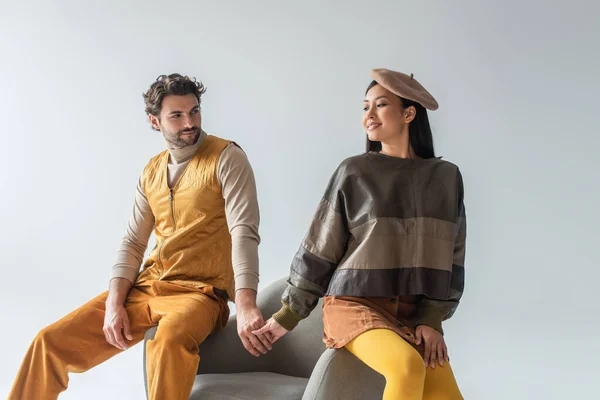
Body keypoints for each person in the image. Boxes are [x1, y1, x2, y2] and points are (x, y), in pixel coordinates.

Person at [9, 73, 271, 400]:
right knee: (49, 342)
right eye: (176, 115)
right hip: (148, 286)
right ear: (154, 120)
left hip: (202, 293)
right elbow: (133, 243)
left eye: (194, 111)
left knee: (169, 339)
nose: (189, 122)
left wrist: (246, 303)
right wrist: (115, 303)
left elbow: (244, 231)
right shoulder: (151, 171)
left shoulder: (227, 157)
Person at [255, 68, 465, 399]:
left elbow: (453, 258)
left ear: (409, 113)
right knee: (406, 366)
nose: (369, 114)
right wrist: (288, 315)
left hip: (411, 313)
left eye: (380, 105)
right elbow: (320, 248)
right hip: (354, 305)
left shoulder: (446, 178)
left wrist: (431, 318)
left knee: (445, 393)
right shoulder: (353, 172)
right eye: (365, 106)